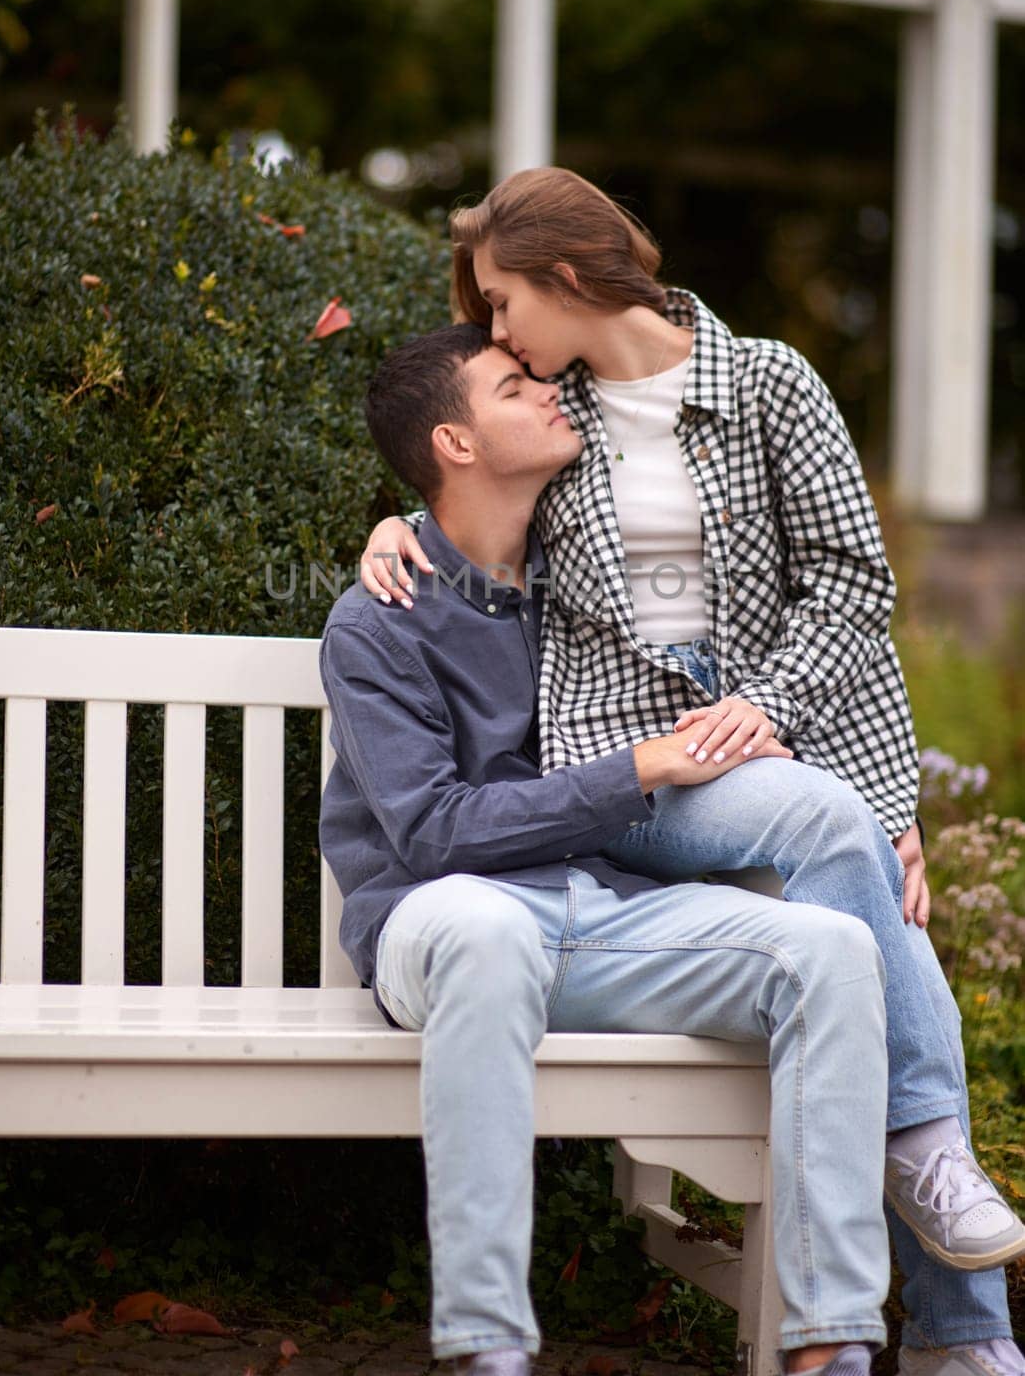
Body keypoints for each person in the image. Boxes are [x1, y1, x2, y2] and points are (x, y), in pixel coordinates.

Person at [358, 170, 1024, 1376]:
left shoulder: (768, 383)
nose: (499, 333)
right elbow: (458, 480)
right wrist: (387, 524)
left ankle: (956, 1336)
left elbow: (850, 592)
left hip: (776, 755)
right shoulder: (551, 423)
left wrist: (882, 801)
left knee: (874, 923)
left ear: (568, 274)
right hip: (633, 783)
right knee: (829, 828)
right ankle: (934, 1194)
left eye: (506, 304)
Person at [321, 322, 894, 1376]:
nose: (548, 393)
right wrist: (634, 768)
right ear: (453, 441)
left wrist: (885, 809)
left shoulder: (578, 589)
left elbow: (819, 604)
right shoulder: (378, 620)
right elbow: (436, 833)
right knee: (487, 926)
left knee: (830, 953)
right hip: (440, 917)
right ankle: (485, 1347)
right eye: (512, 386)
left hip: (601, 913)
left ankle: (830, 1342)